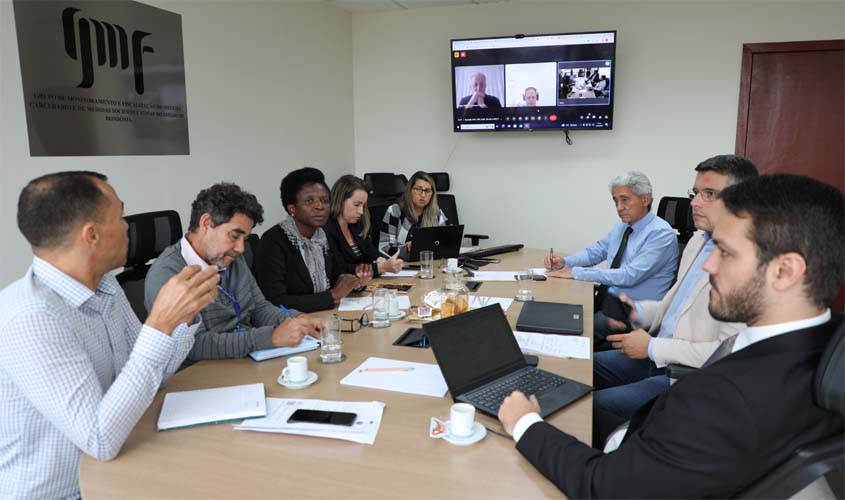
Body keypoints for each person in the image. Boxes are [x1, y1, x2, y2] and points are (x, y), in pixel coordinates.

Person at [499, 174, 844, 499]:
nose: (709, 266)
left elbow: (602, 488)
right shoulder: (825, 344)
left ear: (785, 271)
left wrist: (525, 424)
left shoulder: (722, 400)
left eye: (725, 252)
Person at [0, 171, 220, 499]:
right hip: (67, 492)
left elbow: (149, 376)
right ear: (91, 236)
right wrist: (159, 325)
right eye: (120, 216)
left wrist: (183, 318)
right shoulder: (32, 317)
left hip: (115, 470)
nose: (128, 225)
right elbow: (99, 439)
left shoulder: (106, 286)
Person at [593, 155, 759, 419]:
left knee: (590, 405)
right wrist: (636, 312)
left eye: (710, 194)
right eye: (695, 193)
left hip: (685, 375)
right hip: (656, 353)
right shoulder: (697, 242)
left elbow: (726, 353)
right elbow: (673, 307)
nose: (694, 202)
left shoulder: (748, 263)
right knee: (573, 366)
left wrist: (650, 348)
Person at [145, 182, 324, 367]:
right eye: (234, 236)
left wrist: (297, 320)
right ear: (206, 223)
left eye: (245, 239)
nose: (240, 248)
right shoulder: (168, 275)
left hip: (244, 361)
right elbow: (194, 346)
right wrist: (271, 337)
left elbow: (259, 308)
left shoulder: (228, 257)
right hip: (200, 374)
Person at [545, 171, 678, 348]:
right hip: (609, 302)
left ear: (645, 200)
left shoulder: (661, 234)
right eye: (615, 201)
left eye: (625, 200)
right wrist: (565, 262)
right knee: (556, 315)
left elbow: (629, 275)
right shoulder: (622, 226)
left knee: (572, 331)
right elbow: (596, 252)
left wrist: (576, 273)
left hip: (633, 312)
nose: (619, 207)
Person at [256, 167, 363, 312]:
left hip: (324, 317)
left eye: (325, 201)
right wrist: (332, 295)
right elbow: (274, 301)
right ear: (292, 209)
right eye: (309, 201)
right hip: (291, 325)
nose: (319, 206)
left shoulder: (322, 236)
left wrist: (356, 283)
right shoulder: (273, 241)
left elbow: (339, 275)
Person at [325, 175, 404, 277]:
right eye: (357, 205)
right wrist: (380, 267)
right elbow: (340, 269)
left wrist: (380, 259)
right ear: (340, 200)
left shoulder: (356, 226)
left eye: (363, 206)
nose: (361, 211)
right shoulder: (327, 230)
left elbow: (371, 253)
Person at [379, 170, 448, 260]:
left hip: (429, 264)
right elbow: (383, 248)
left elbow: (443, 245)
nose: (423, 195)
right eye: (418, 189)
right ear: (410, 190)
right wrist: (406, 248)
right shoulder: (394, 211)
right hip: (401, 266)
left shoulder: (437, 214)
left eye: (427, 191)